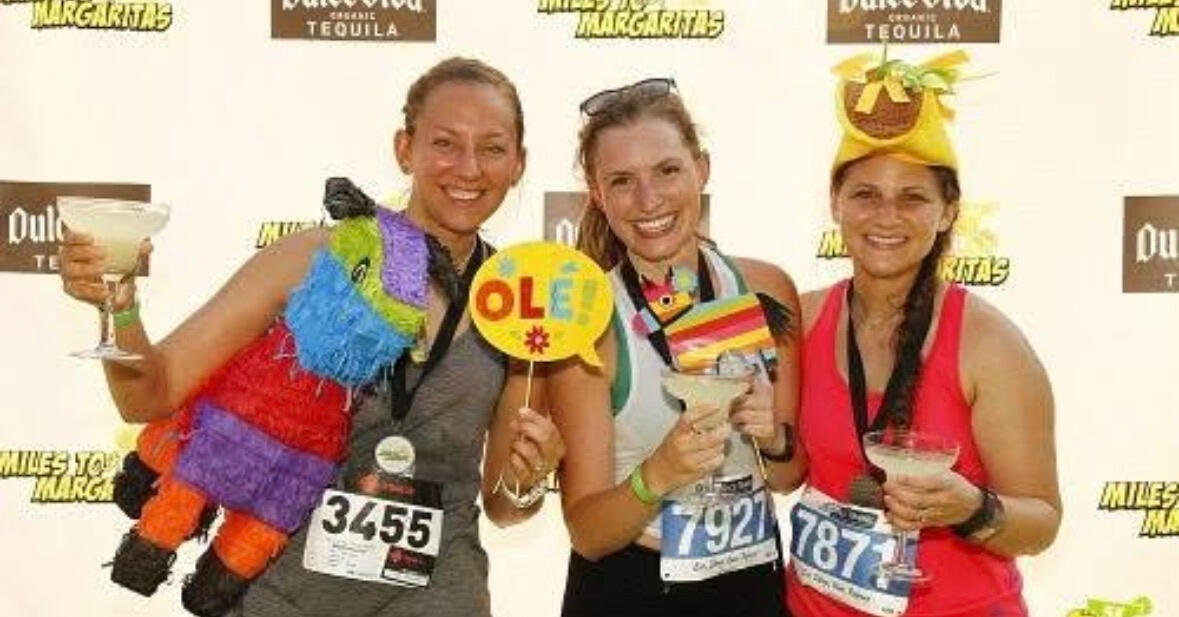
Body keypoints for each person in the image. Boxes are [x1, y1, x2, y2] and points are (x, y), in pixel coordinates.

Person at [59, 57, 564, 617]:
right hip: (278, 600)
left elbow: (504, 505)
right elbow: (146, 396)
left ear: (519, 164)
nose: (468, 168)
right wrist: (121, 310)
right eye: (445, 143)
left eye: (493, 148)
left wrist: (530, 480)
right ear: (405, 149)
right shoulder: (315, 260)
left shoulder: (522, 306)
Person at [785, 51, 1061, 617]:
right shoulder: (804, 319)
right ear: (835, 203)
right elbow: (784, 472)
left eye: (913, 197)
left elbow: (1042, 522)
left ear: (947, 212)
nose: (886, 216)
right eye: (865, 194)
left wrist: (972, 509)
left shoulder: (989, 345)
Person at [548, 78, 805, 617]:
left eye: (667, 170)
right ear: (596, 193)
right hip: (635, 590)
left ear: (701, 169)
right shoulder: (589, 322)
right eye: (622, 181)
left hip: (750, 581)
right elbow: (588, 534)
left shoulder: (767, 289)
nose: (649, 200)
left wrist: (773, 437)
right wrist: (657, 475)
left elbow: (786, 476)